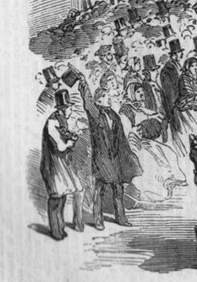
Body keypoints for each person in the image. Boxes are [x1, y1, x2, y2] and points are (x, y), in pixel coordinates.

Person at [76, 73, 140, 228]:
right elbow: (88, 101)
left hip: (115, 158)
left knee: (118, 189)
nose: (109, 99)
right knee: (100, 189)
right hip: (102, 158)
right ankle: (98, 220)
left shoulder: (113, 114)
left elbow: (120, 138)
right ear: (99, 100)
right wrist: (84, 83)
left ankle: (121, 218)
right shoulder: (95, 113)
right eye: (106, 97)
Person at [40, 89, 82, 240]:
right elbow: (59, 146)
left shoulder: (62, 120)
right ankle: (55, 230)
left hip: (61, 164)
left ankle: (60, 226)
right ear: (63, 108)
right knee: (56, 197)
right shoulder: (52, 121)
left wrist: (71, 136)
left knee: (63, 196)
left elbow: (66, 134)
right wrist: (70, 142)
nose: (71, 109)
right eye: (69, 107)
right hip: (53, 165)